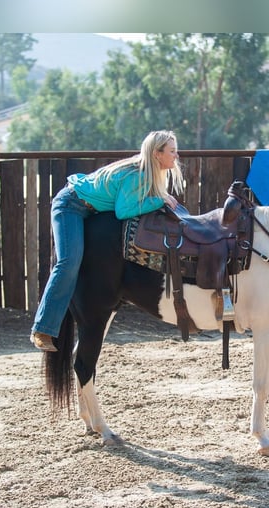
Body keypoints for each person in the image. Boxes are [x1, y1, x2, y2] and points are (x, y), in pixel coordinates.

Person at [30, 130, 183, 351]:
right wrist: (160, 200)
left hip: (89, 208)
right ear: (157, 154)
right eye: (172, 151)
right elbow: (124, 211)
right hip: (71, 205)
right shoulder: (138, 174)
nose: (176, 156)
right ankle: (41, 328)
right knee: (68, 262)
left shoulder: (148, 174)